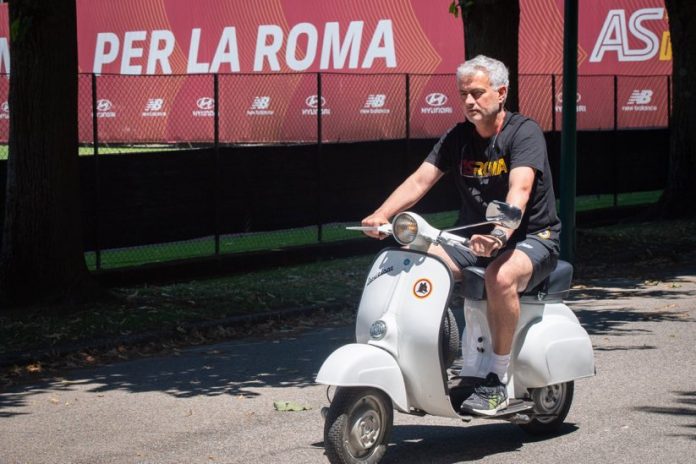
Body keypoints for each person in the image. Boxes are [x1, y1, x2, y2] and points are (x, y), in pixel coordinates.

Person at [361, 55, 561, 416]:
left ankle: (496, 380)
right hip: (475, 241)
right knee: (423, 265)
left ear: (501, 93)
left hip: (533, 238)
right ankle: (430, 357)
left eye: (477, 93)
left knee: (499, 277)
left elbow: (521, 187)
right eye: (463, 94)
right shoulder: (458, 138)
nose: (469, 101)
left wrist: (501, 233)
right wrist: (381, 214)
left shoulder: (523, 132)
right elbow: (420, 179)